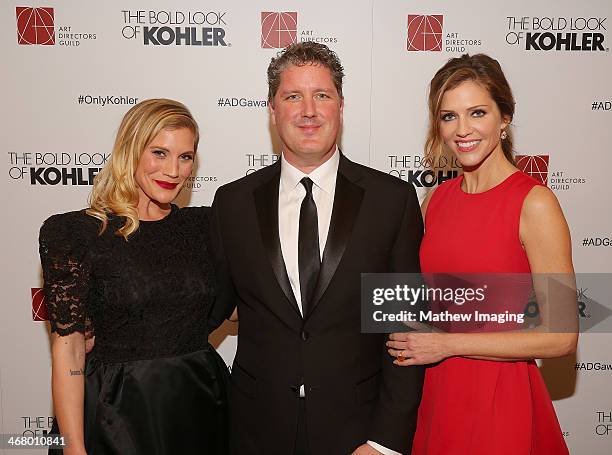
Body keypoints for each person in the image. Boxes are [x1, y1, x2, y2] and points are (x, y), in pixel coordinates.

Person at [210, 42, 424, 455]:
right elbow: (205, 308)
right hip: (255, 431)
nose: (308, 110)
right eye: (293, 96)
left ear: (341, 107)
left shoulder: (390, 200)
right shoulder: (232, 203)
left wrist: (385, 442)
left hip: (358, 434)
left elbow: (407, 327)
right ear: (272, 110)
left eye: (321, 95)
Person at [386, 54, 577, 454]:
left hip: (497, 396)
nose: (463, 130)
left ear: (504, 118)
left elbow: (561, 335)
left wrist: (449, 345)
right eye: (448, 116)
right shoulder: (436, 199)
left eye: (477, 112)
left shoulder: (534, 203)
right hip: (436, 392)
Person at [39, 99, 230, 455]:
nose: (173, 170)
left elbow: (241, 302)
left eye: (185, 157)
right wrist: (74, 448)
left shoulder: (205, 227)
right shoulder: (76, 233)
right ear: (130, 151)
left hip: (199, 403)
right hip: (117, 411)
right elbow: (69, 351)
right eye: (159, 152)